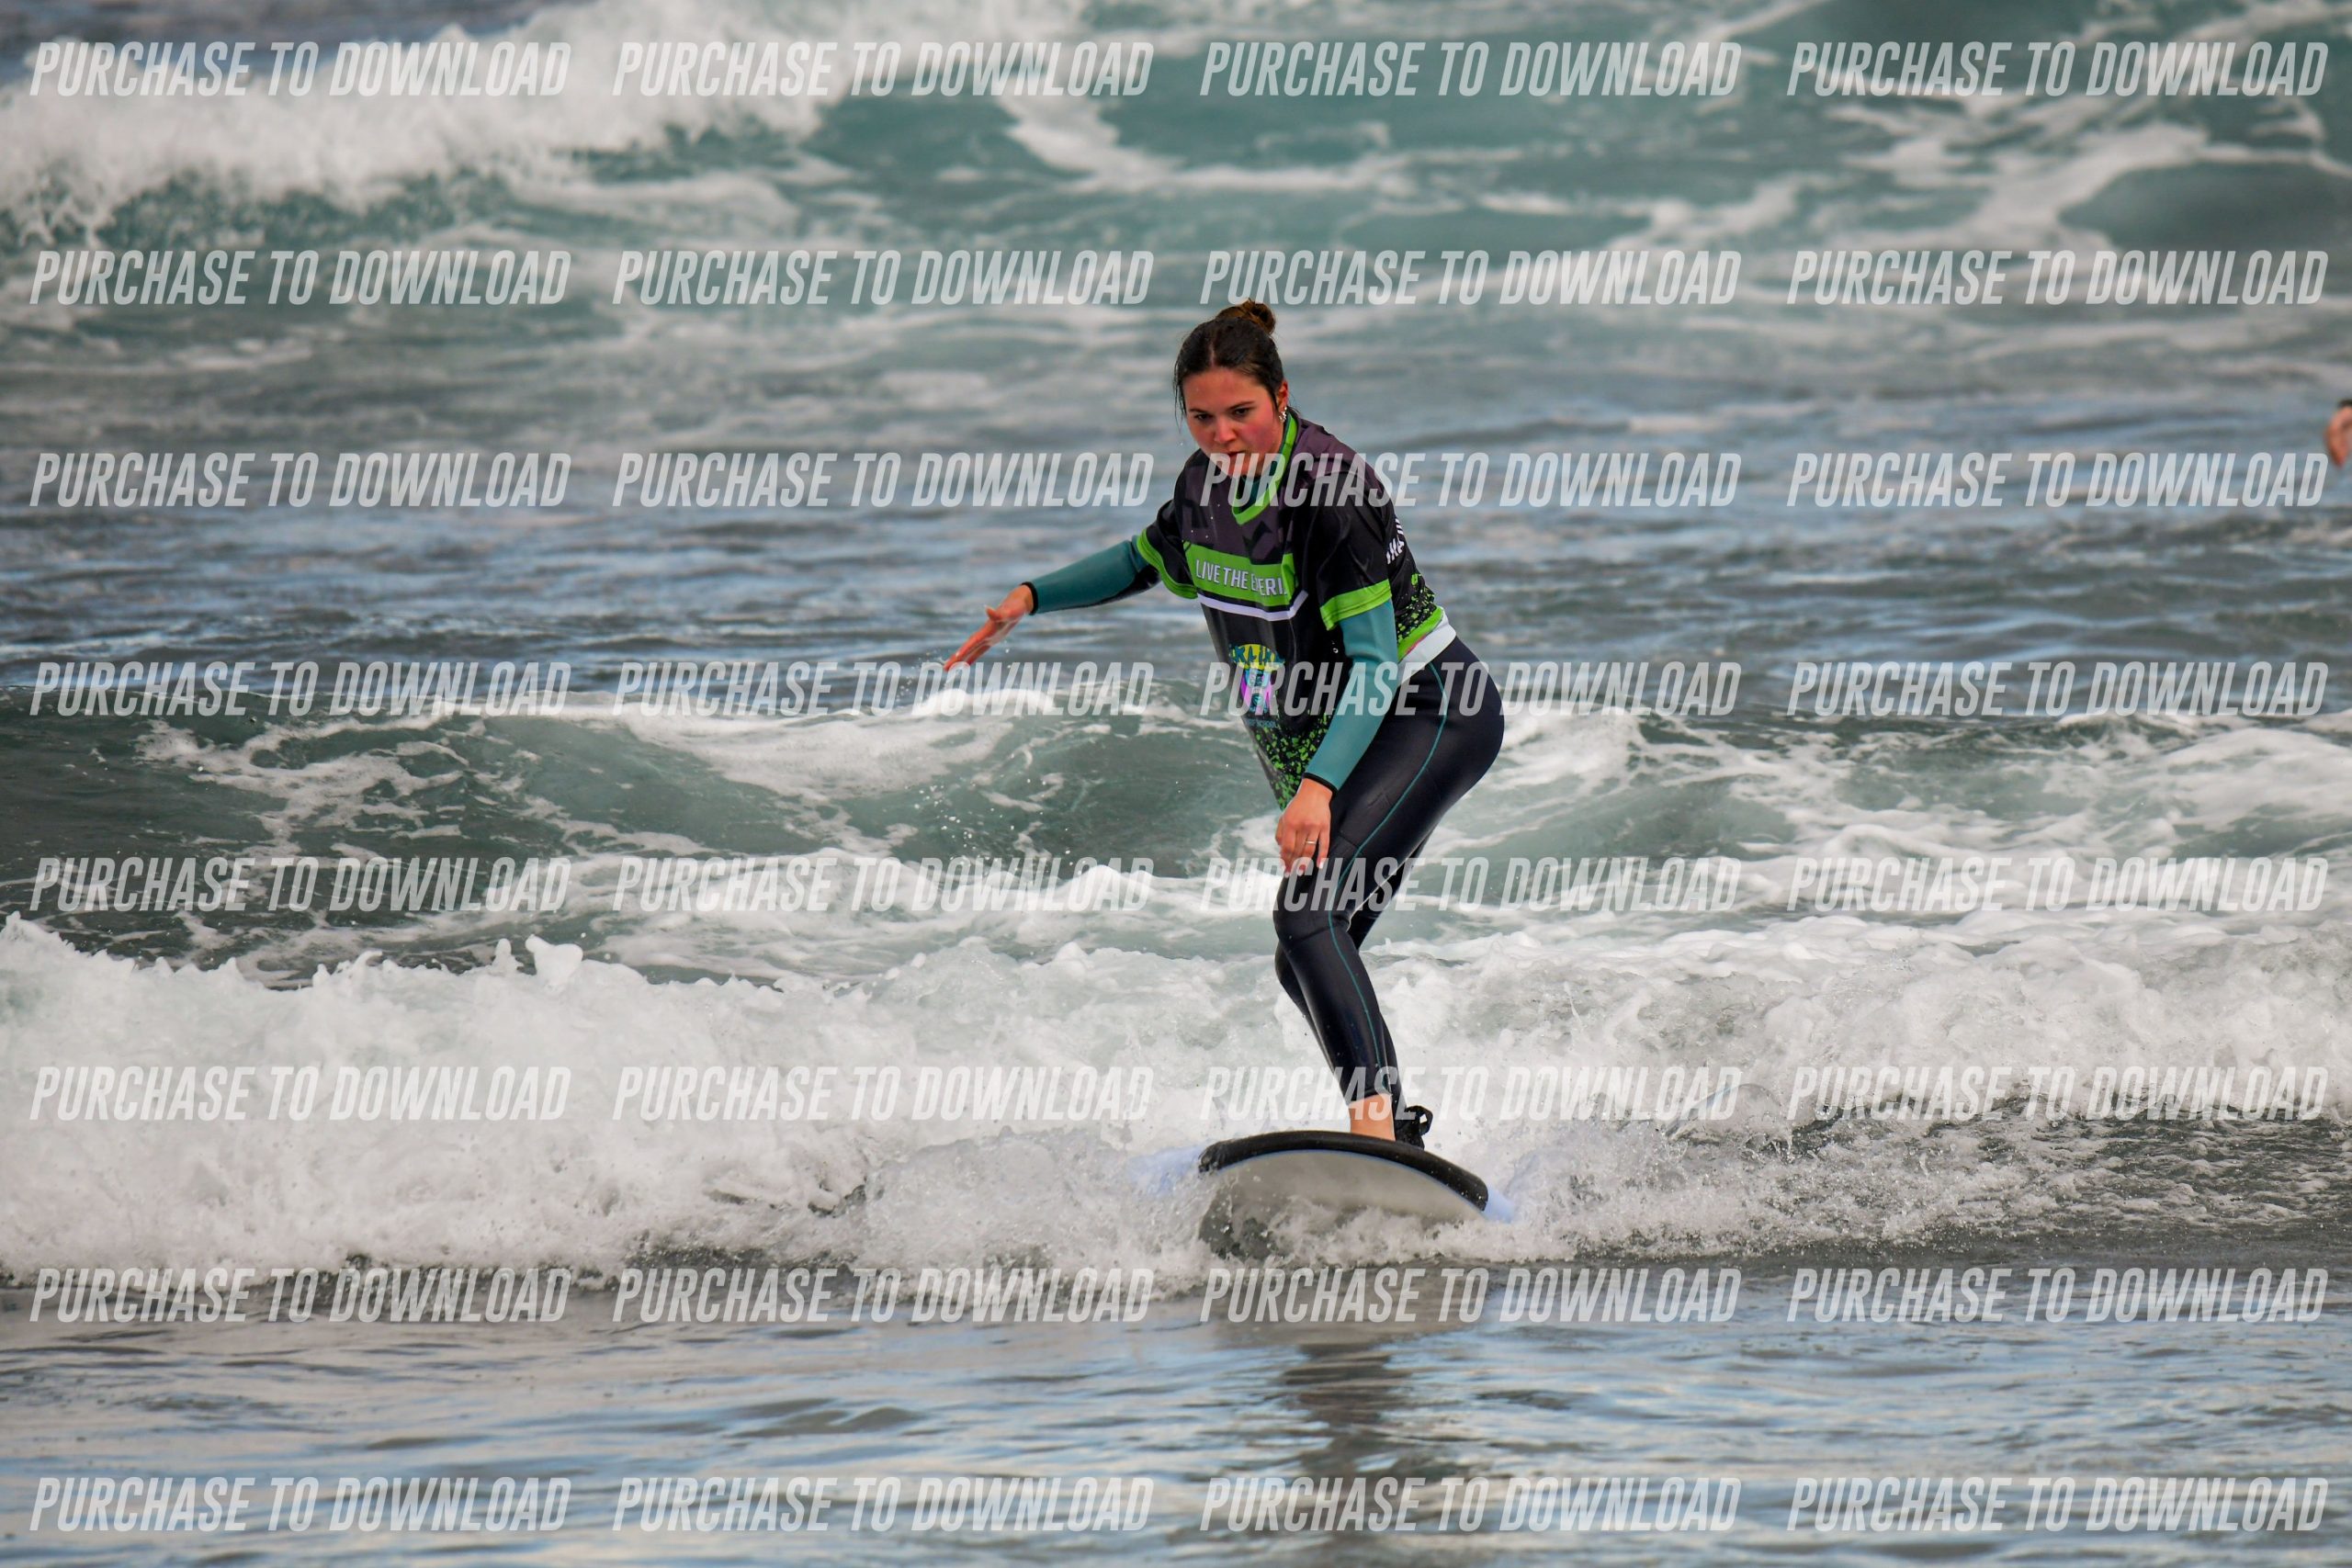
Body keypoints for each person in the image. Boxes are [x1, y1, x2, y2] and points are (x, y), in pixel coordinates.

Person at [946, 300, 1505, 1148]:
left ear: (1281, 395)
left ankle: (1379, 1134)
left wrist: (1317, 789)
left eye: (1240, 411)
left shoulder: (1331, 491)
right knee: (1305, 951)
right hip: (1347, 732)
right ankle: (1395, 1131)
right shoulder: (1203, 487)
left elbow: (1374, 662)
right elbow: (1141, 560)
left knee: (1309, 917)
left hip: (1429, 710)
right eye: (1202, 417)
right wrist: (1030, 597)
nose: (1223, 435)